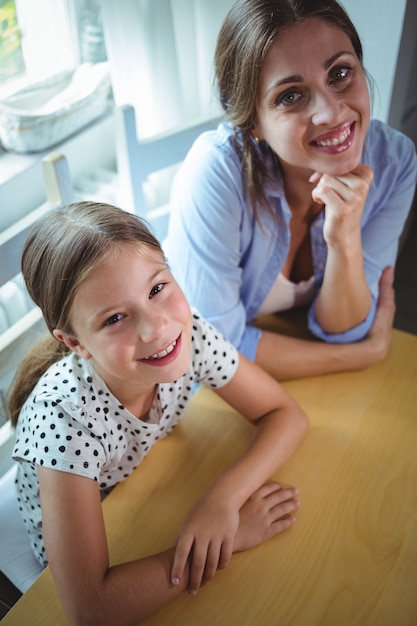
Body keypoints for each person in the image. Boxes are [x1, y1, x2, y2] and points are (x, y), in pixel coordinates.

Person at [9, 201, 308, 625]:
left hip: (150, 486)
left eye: (156, 289)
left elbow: (285, 413)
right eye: (115, 318)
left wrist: (221, 502)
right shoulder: (66, 419)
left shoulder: (190, 335)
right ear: (75, 343)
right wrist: (228, 538)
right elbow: (90, 609)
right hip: (93, 535)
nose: (157, 328)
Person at [164, 0, 417, 381]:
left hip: (289, 370)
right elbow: (209, 349)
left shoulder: (395, 162)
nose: (331, 113)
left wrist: (344, 232)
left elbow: (345, 329)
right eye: (290, 96)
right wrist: (364, 354)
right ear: (254, 124)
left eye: (341, 73)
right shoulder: (214, 171)